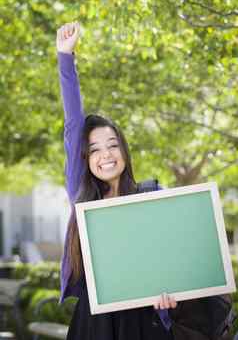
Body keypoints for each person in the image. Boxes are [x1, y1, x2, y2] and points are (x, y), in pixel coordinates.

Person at [56, 22, 233, 340]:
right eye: (94, 149)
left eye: (112, 144)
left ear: (124, 150)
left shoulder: (150, 198)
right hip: (93, 322)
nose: (105, 155)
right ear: (84, 158)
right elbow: (73, 123)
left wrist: (172, 300)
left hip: (141, 322)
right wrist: (65, 58)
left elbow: (181, 256)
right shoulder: (81, 196)